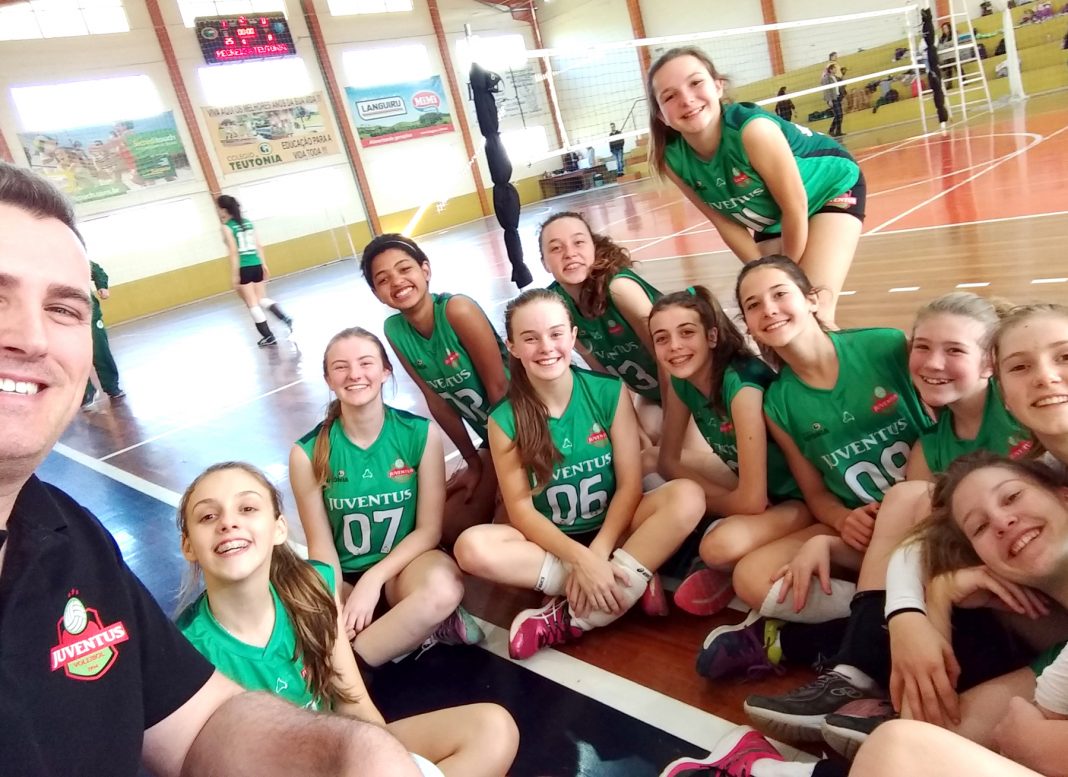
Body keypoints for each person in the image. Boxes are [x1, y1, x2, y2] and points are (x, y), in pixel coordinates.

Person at [0, 160, 419, 776]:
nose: (31, 338)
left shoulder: (70, 538)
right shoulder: (199, 625)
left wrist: (353, 749)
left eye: (63, 308)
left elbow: (195, 727)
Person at [736, 293, 1033, 750]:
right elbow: (914, 545)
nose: (933, 363)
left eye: (954, 350)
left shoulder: (1021, 407)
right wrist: (829, 543)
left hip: (1037, 588)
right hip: (995, 585)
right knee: (909, 508)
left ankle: (831, 656)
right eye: (922, 347)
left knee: (913, 514)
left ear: (990, 362)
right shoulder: (929, 446)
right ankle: (857, 674)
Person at [175, 461, 519, 777]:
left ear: (279, 529)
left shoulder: (313, 586)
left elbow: (353, 702)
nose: (228, 523)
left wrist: (381, 761)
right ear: (188, 545)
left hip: (342, 752)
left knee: (493, 729)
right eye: (208, 516)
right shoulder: (186, 652)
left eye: (247, 508)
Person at [695, 256, 931, 680]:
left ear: (812, 300)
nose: (769, 309)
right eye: (753, 305)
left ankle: (821, 637)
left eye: (780, 294)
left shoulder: (885, 346)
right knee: (752, 577)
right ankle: (886, 616)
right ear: (748, 325)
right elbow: (817, 495)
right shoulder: (778, 402)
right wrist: (842, 519)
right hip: (861, 530)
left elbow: (946, 421)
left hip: (927, 510)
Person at [453, 289, 705, 659]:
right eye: (530, 338)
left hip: (616, 529)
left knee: (688, 496)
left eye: (555, 334)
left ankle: (572, 614)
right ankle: (628, 580)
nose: (546, 347)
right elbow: (521, 510)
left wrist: (598, 552)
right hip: (552, 542)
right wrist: (581, 561)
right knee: (470, 547)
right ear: (513, 347)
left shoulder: (607, 392)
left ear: (572, 336)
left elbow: (630, 485)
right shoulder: (504, 419)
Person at [289, 327, 484, 667]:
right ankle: (417, 628)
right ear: (328, 379)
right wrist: (335, 601)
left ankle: (350, 671)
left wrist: (374, 579)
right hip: (345, 574)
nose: (354, 374)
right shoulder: (307, 453)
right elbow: (321, 547)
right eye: (340, 367)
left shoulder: (420, 434)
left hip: (404, 567)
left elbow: (428, 531)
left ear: (385, 371)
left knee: (445, 588)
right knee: (305, 615)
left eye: (366, 363)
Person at [646, 46, 865, 325]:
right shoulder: (671, 158)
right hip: (773, 215)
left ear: (718, 86)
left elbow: (794, 207)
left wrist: (783, 275)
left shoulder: (753, 131)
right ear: (661, 115)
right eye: (670, 96)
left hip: (830, 189)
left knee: (812, 312)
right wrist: (759, 273)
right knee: (771, 316)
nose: (687, 99)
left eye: (696, 83)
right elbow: (723, 221)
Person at [648, 286, 810, 617]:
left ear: (711, 337)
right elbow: (667, 460)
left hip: (800, 499)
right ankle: (645, 560)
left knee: (718, 547)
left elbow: (751, 501)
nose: (674, 346)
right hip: (755, 489)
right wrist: (713, 499)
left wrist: (694, 504)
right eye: (662, 338)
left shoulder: (741, 385)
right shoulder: (683, 378)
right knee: (646, 459)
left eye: (686, 333)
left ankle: (722, 552)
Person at [361, 233, 507, 545]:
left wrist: (510, 468)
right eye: (383, 279)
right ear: (376, 293)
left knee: (512, 521)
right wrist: (473, 462)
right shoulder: (394, 330)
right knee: (451, 527)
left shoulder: (457, 310)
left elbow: (499, 388)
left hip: (525, 427)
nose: (397, 281)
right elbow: (436, 400)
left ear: (425, 270)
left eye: (405, 269)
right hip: (493, 437)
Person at [540, 211, 667, 450]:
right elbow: (605, 377)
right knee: (635, 446)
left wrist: (672, 425)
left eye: (579, 242)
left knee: (670, 457)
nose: (569, 253)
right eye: (556, 248)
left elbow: (668, 359)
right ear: (544, 262)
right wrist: (635, 431)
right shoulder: (558, 305)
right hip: (653, 394)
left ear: (593, 248)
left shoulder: (619, 289)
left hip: (693, 387)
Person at [216, 194, 293, 347]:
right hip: (256, 264)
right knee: (261, 299)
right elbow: (259, 245)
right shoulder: (248, 223)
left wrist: (235, 274)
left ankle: (269, 337)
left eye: (218, 208)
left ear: (224, 209)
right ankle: (284, 317)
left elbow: (233, 251)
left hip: (244, 266)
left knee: (252, 304)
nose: (218, 211)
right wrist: (264, 265)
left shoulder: (226, 227)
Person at [81, 259, 125, 406]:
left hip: (90, 316)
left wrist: (102, 286)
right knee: (75, 358)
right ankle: (86, 392)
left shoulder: (75, 255)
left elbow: (96, 270)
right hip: (63, 319)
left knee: (101, 352)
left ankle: (112, 387)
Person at [821, 63, 845, 138]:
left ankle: (836, 131)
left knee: (839, 115)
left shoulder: (835, 77)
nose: (836, 69)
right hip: (833, 98)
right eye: (834, 68)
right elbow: (827, 90)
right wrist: (829, 100)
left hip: (838, 97)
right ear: (830, 70)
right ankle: (833, 131)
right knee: (839, 115)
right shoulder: (826, 78)